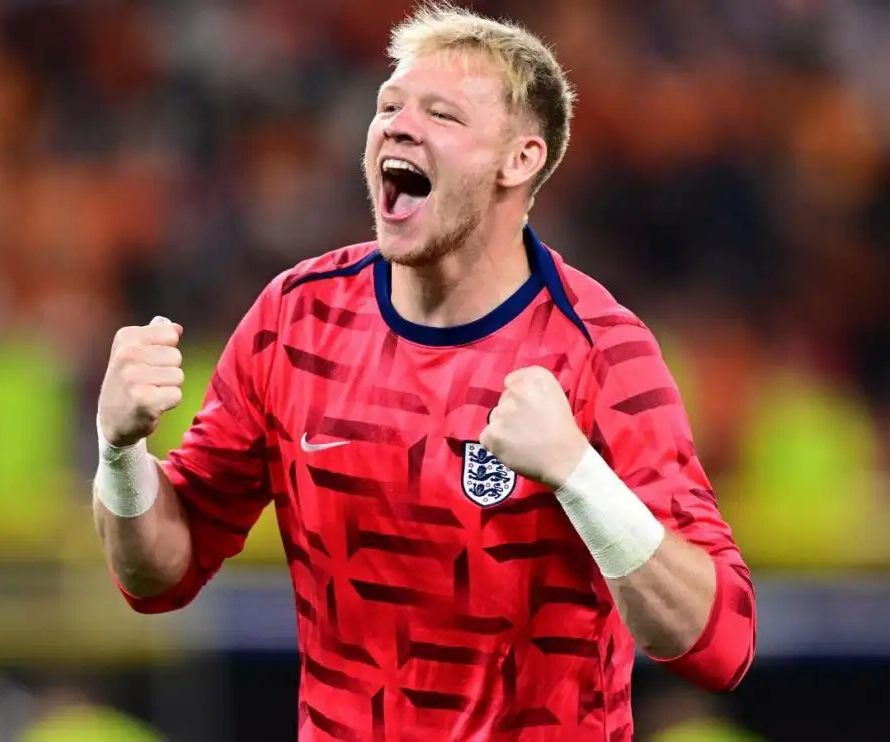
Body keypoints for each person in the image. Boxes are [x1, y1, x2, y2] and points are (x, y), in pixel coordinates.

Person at [91, 4, 756, 740]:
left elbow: (719, 645)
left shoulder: (600, 351)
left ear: (520, 160)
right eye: (389, 106)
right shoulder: (294, 321)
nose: (398, 126)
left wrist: (580, 475)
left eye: (441, 114)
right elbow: (158, 576)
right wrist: (120, 455)